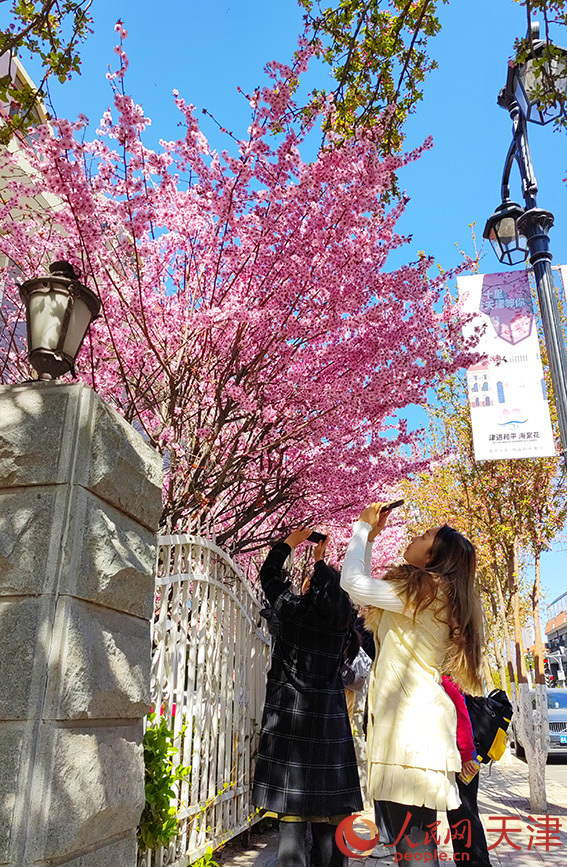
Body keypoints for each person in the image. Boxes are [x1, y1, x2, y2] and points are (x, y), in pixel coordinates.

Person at [340, 505, 485, 865]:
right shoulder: (436, 593)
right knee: (413, 843)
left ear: (434, 557)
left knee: (415, 846)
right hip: (412, 725)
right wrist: (371, 538)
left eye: (424, 537)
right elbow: (367, 591)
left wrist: (361, 528)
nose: (414, 537)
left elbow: (353, 583)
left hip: (410, 730)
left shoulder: (425, 590)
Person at [252, 528, 363, 867]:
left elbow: (269, 574)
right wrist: (321, 565)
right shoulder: (341, 625)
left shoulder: (294, 614)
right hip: (329, 728)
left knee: (291, 826)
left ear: (312, 591)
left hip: (290, 727)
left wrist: (291, 542)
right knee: (329, 822)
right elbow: (333, 594)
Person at [443, 676, 493, 866]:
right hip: (458, 758)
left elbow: (462, 718)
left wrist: (466, 755)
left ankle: (477, 862)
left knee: (465, 813)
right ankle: (465, 860)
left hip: (464, 761)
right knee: (458, 813)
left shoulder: (447, 683)